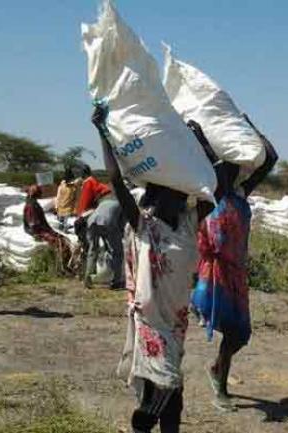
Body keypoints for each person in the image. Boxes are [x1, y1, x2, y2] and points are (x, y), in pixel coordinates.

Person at [92, 104, 213, 433]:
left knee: (172, 387)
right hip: (149, 320)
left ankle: (153, 423)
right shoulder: (144, 225)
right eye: (168, 194)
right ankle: (145, 419)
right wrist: (103, 132)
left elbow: (218, 186)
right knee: (166, 381)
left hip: (175, 322)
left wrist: (200, 145)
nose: (175, 199)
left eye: (179, 194)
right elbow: (116, 179)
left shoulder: (188, 223)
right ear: (154, 198)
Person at [189, 115, 278, 411]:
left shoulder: (241, 194)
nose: (231, 171)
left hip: (236, 273)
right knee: (227, 327)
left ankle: (216, 369)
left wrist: (248, 125)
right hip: (211, 274)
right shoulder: (210, 198)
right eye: (226, 168)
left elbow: (270, 157)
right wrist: (200, 134)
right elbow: (212, 161)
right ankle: (221, 388)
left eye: (232, 168)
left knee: (240, 335)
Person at [23, 184, 71, 273]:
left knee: (63, 238)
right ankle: (60, 268)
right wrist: (38, 234)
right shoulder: (31, 205)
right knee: (60, 243)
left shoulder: (34, 203)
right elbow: (33, 224)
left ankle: (65, 266)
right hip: (38, 231)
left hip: (42, 229)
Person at [83, 197, 125, 290]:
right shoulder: (123, 205)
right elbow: (121, 226)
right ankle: (116, 281)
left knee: (92, 251)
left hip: (91, 222)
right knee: (117, 252)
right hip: (107, 222)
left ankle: (87, 279)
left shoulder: (105, 201)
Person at [55, 167, 81, 233]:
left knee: (65, 226)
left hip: (68, 208)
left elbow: (77, 198)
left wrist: (76, 208)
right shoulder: (62, 185)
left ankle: (65, 233)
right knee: (61, 225)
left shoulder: (74, 186)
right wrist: (56, 206)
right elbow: (58, 196)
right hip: (61, 208)